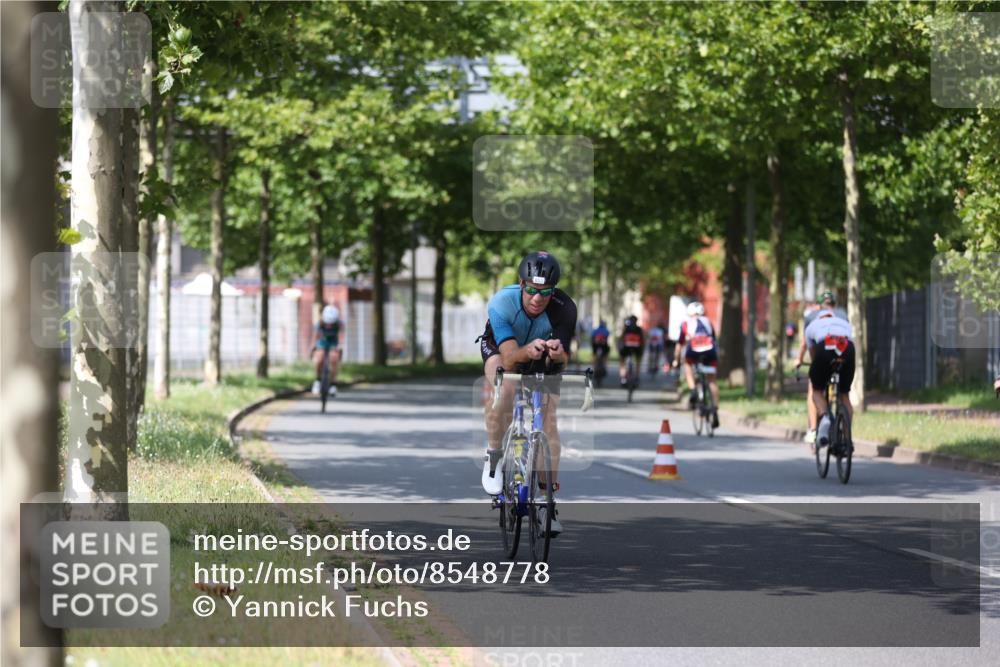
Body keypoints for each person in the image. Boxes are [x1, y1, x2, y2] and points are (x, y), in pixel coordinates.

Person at [477, 251, 577, 536]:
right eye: (532, 290)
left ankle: (547, 505)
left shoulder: (565, 308)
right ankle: (494, 456)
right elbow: (510, 359)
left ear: (553, 291)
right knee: (506, 386)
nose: (537, 298)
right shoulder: (502, 303)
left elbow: (564, 359)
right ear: (521, 284)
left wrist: (558, 355)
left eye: (545, 292)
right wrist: (527, 350)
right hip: (501, 350)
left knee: (549, 421)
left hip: (541, 355)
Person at [796, 307, 855, 448]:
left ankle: (824, 416)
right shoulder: (844, 323)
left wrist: (820, 371)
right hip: (847, 348)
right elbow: (850, 340)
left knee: (816, 390)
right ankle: (847, 440)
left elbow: (814, 355)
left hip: (825, 346)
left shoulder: (811, 326)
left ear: (820, 317)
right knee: (844, 395)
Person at [672, 301, 720, 428]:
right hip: (710, 351)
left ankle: (693, 390)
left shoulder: (686, 323)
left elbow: (679, 344)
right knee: (712, 381)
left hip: (694, 350)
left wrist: (676, 360)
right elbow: (714, 339)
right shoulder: (708, 321)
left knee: (687, 364)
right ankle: (715, 409)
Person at [311, 304, 341, 396]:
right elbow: (316, 336)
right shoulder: (319, 324)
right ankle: (317, 380)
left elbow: (341, 336)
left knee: (334, 358)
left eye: (331, 323)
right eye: (327, 323)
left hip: (333, 342)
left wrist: (340, 346)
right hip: (322, 341)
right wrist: (314, 346)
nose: (329, 325)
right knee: (319, 358)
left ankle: (333, 384)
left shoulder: (339, 324)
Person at [617, 315, 644, 386]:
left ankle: (623, 378)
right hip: (637, 348)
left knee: (622, 361)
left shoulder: (626, 328)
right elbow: (642, 340)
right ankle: (637, 377)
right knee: (638, 362)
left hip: (626, 348)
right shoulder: (639, 329)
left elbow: (621, 338)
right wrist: (642, 349)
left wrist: (620, 347)